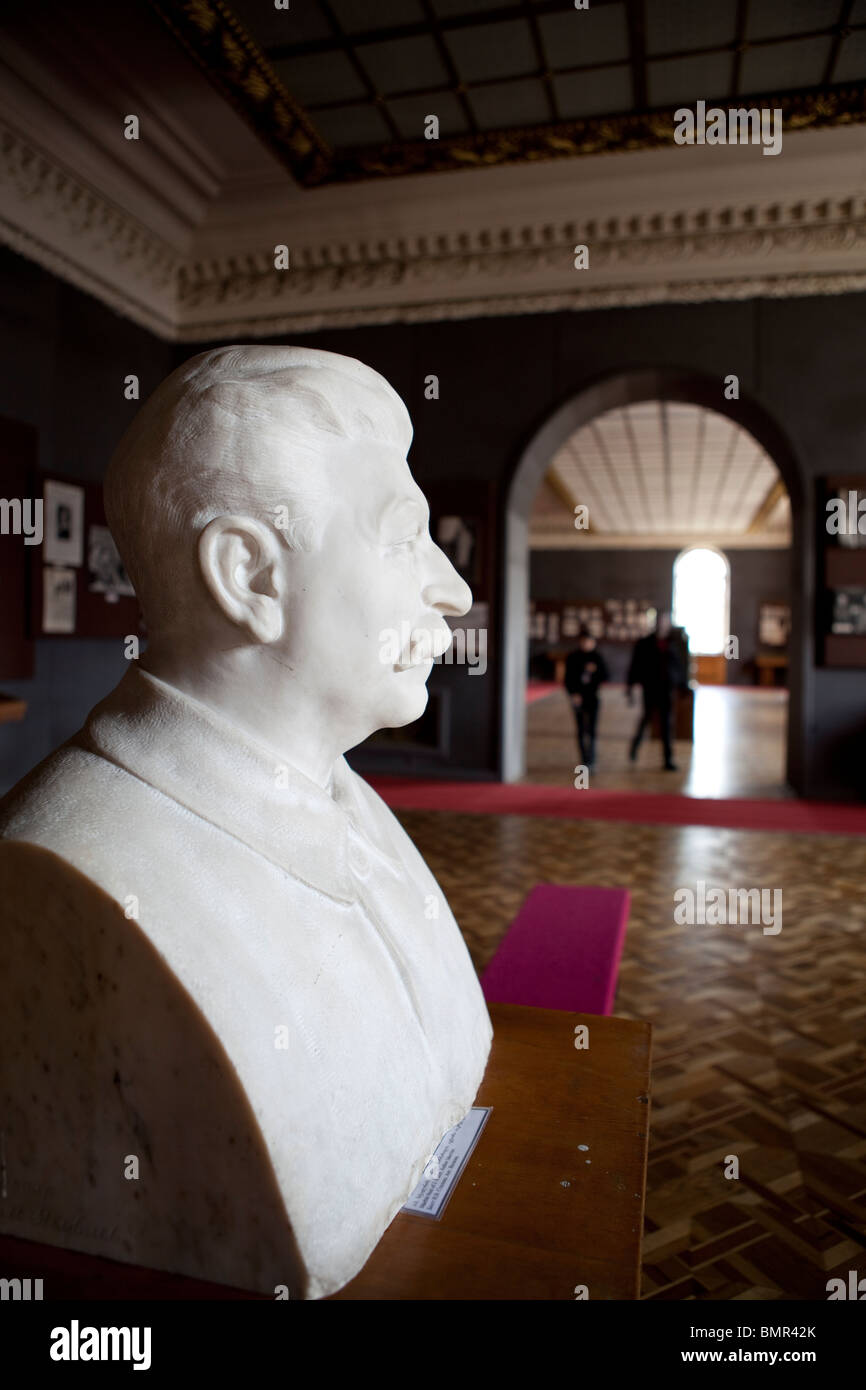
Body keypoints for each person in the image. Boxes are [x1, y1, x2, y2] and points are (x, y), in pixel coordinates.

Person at [0, 345, 493, 1300]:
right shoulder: (64, 875)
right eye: (403, 540)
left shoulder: (347, 798)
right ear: (249, 576)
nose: (453, 588)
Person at [627, 610, 686, 770]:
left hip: (666, 689)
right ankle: (635, 746)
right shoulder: (645, 642)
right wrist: (630, 686)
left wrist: (682, 684)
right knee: (646, 719)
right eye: (660, 621)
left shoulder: (673, 643)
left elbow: (680, 666)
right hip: (650, 687)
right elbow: (635, 665)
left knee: (667, 724)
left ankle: (667, 759)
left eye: (665, 621)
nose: (662, 624)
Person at [564, 626, 609, 768]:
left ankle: (592, 758)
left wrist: (595, 671)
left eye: (589, 641)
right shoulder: (573, 657)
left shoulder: (597, 657)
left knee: (592, 729)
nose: (586, 644)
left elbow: (606, 676)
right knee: (581, 730)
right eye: (584, 641)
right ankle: (584, 758)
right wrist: (573, 694)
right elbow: (567, 679)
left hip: (593, 697)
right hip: (578, 697)